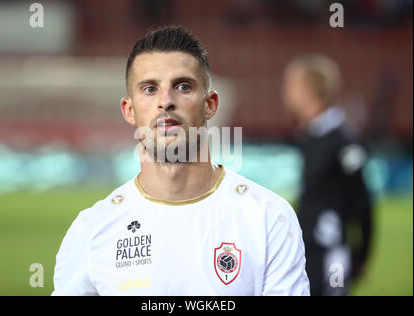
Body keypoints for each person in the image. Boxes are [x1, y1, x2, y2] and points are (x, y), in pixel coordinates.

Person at [52, 26, 310, 296]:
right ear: (129, 110)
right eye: (150, 89)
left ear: (210, 104)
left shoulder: (268, 218)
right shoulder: (91, 230)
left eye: (183, 86)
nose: (166, 101)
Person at [282, 54, 373, 296]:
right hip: (305, 253)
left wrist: (361, 255)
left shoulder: (344, 143)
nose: (286, 92)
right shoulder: (308, 137)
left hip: (330, 258)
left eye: (291, 85)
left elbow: (362, 203)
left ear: (309, 90)